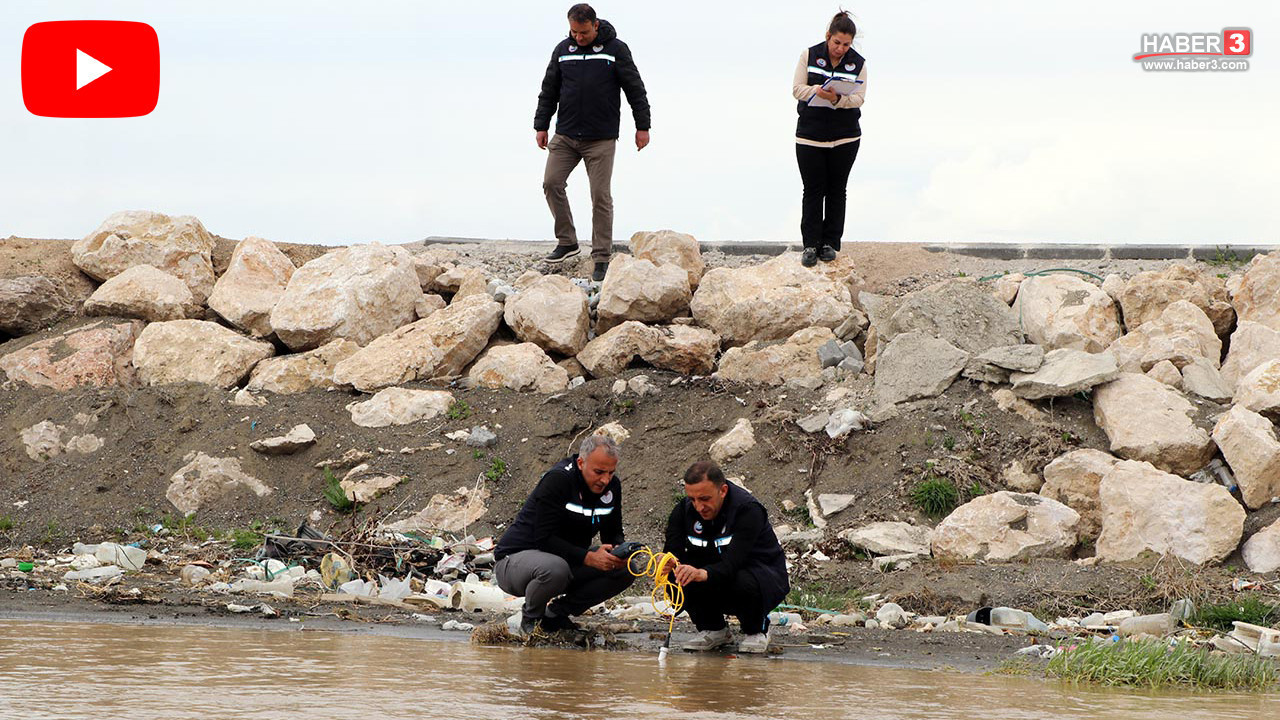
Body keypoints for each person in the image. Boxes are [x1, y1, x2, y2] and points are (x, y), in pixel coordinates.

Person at [534, 3, 651, 282]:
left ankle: (601, 256)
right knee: (551, 183)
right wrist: (541, 125)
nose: (578, 37)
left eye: (583, 32)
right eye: (574, 32)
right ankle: (567, 242)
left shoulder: (616, 49)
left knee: (600, 196)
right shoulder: (563, 50)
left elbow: (635, 88)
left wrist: (642, 126)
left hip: (601, 138)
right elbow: (549, 89)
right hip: (566, 135)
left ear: (595, 25)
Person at [495, 435, 635, 634]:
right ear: (580, 463)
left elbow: (612, 532)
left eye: (611, 472)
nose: (605, 479)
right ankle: (531, 619)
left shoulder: (612, 487)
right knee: (555, 568)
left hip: (566, 560)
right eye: (599, 472)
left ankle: (556, 614)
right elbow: (543, 539)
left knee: (626, 570)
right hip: (515, 562)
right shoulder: (558, 480)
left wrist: (619, 551)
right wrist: (587, 558)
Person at [663, 461, 790, 654]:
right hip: (712, 571)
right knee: (677, 574)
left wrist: (701, 573)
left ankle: (757, 630)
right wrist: (667, 564)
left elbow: (733, 562)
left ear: (722, 491)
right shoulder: (683, 510)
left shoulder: (748, 510)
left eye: (705, 499)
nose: (699, 507)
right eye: (693, 499)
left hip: (759, 575)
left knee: (741, 581)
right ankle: (713, 629)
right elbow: (672, 552)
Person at [792, 10, 867, 268]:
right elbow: (796, 89)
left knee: (837, 190)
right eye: (837, 43)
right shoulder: (809, 55)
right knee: (813, 191)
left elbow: (859, 97)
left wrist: (837, 98)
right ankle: (810, 244)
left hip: (845, 138)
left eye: (846, 44)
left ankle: (830, 244)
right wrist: (817, 91)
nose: (840, 49)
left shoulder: (858, 63)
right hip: (810, 137)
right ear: (828, 37)